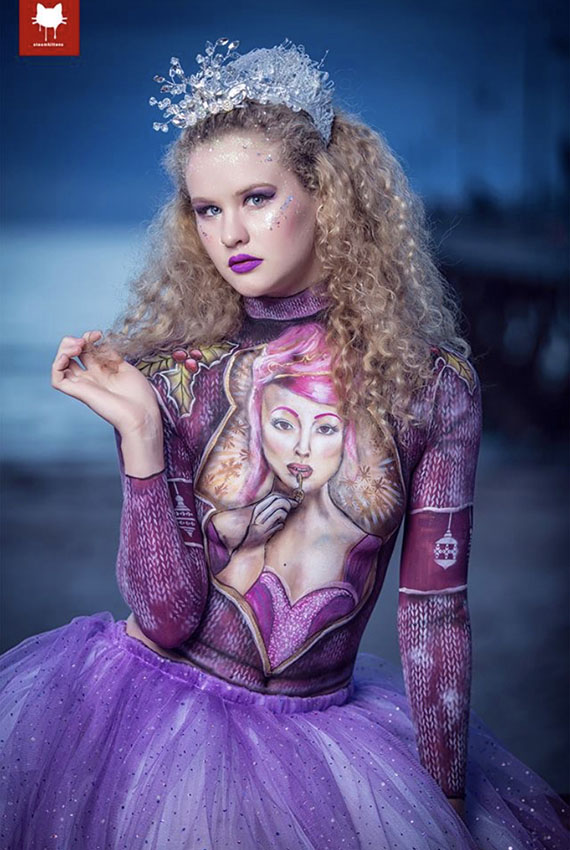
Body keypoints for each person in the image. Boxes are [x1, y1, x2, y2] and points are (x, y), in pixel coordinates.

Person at [0, 36, 567, 850]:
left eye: (258, 197)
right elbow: (165, 617)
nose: (231, 231)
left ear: (326, 196)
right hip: (154, 723)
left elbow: (435, 613)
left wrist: (444, 792)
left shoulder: (433, 386)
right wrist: (140, 433)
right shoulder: (179, 377)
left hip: (331, 734)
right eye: (207, 209)